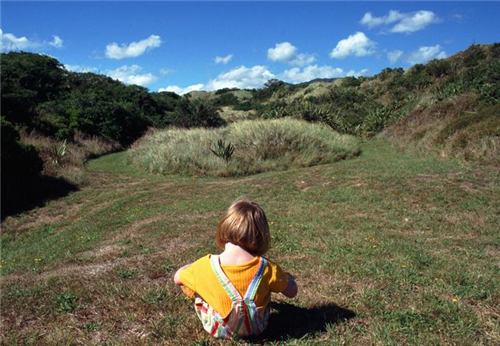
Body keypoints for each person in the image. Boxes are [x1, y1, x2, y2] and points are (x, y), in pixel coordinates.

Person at [173, 198, 298, 339]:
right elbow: (292, 292)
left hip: (218, 328)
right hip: (258, 328)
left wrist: (190, 266)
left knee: (197, 285)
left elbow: (177, 279)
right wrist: (288, 278)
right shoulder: (267, 268)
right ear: (261, 236)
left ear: (224, 228)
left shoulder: (202, 266)